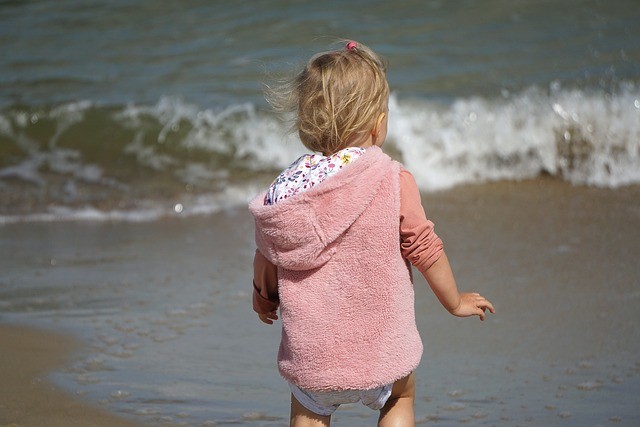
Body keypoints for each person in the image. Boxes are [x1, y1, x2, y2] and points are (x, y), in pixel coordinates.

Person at [249, 40, 494, 427]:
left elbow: (269, 253)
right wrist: (454, 302)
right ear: (377, 123)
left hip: (313, 357)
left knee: (308, 413)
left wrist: (263, 298)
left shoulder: (287, 189)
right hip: (381, 354)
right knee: (399, 397)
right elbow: (424, 248)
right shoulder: (392, 178)